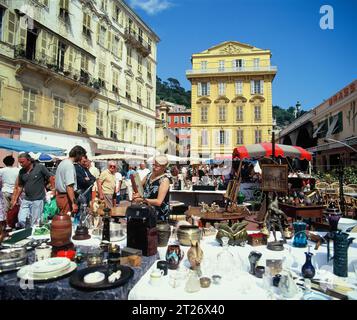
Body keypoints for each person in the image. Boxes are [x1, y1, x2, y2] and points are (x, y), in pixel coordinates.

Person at [11, 153, 54, 227]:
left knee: (35, 222)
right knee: (21, 219)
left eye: (22, 162)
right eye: (20, 162)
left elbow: (51, 177)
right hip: (26, 199)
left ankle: (32, 235)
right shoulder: (21, 171)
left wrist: (53, 189)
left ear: (29, 160)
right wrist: (15, 199)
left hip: (38, 199)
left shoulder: (40, 167)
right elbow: (20, 186)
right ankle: (26, 232)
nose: (21, 164)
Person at [133, 155, 171, 221]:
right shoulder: (149, 175)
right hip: (146, 211)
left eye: (157, 166)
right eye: (153, 165)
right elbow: (139, 187)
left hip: (157, 215)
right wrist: (137, 192)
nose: (154, 167)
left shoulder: (164, 180)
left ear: (164, 167)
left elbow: (159, 202)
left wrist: (142, 200)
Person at [55, 145, 87, 215]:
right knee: (67, 221)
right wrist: (73, 203)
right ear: (78, 155)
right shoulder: (69, 165)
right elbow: (69, 186)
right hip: (66, 198)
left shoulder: (62, 163)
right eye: (82, 156)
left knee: (62, 220)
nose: (82, 158)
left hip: (60, 197)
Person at [0, 156, 20, 226]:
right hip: (16, 192)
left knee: (6, 210)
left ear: (4, 162)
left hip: (5, 191)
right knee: (16, 209)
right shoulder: (18, 170)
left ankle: (7, 224)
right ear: (13, 162)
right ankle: (15, 223)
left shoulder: (2, 170)